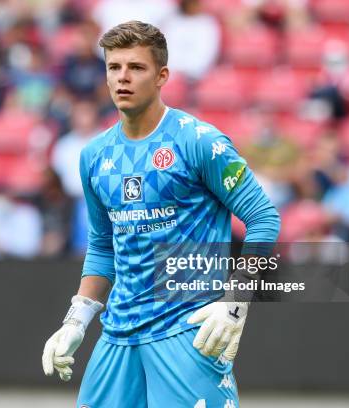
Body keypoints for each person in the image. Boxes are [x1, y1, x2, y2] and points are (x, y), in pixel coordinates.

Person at [42, 21, 280, 407]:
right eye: (114, 67)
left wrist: (236, 302)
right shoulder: (94, 155)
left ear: (161, 76)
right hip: (117, 334)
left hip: (185, 331)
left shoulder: (198, 141)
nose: (123, 77)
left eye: (136, 68)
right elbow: (104, 246)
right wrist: (76, 320)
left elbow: (264, 218)